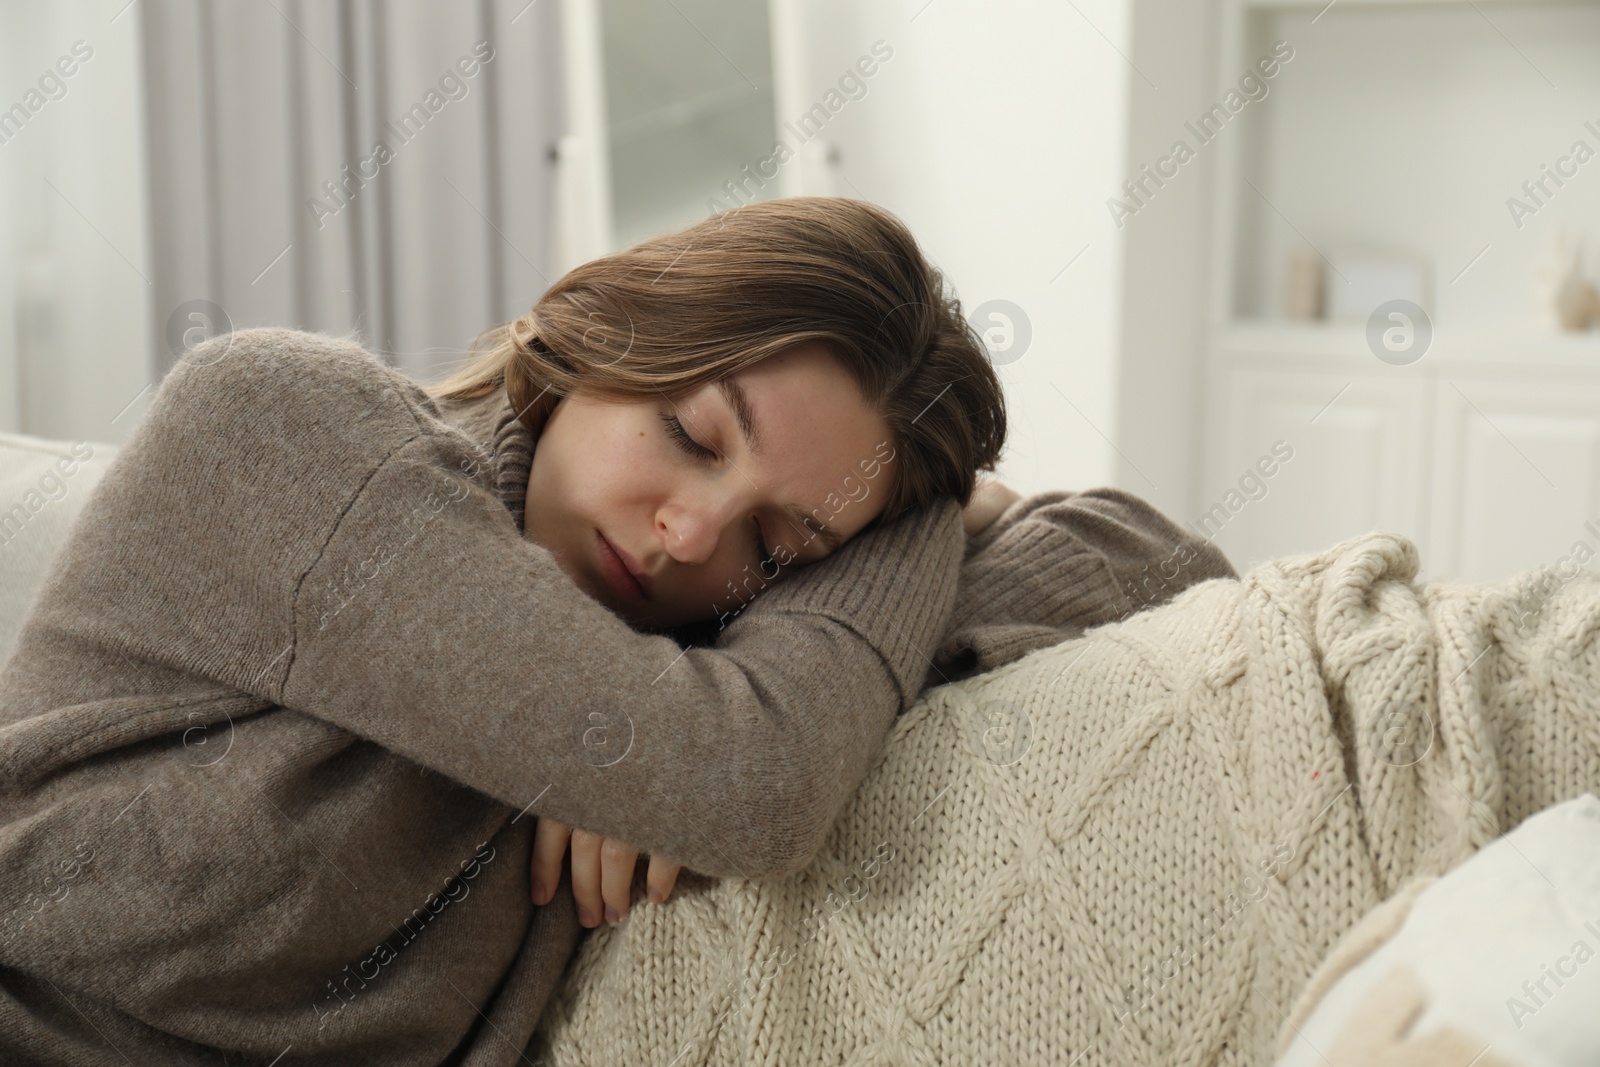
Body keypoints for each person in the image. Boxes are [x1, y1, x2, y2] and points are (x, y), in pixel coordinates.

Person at [0, 196, 1232, 1066]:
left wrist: (899, 512)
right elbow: (748, 781)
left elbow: (1160, 563)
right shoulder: (289, 429)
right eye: (695, 435)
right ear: (614, 323)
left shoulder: (693, 664)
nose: (692, 537)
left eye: (781, 544)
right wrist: (672, 735)